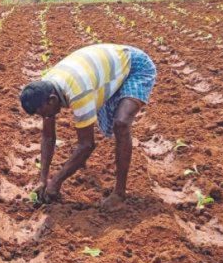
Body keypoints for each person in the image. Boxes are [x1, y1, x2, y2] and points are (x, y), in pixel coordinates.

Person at [19, 44, 157, 210]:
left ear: (52, 100)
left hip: (134, 65)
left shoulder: (78, 92)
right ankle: (77, 165)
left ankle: (119, 194)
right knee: (108, 119)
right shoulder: (46, 88)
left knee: (121, 124)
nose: (44, 117)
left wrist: (56, 182)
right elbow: (48, 137)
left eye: (43, 113)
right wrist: (43, 179)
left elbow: (87, 144)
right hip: (105, 70)